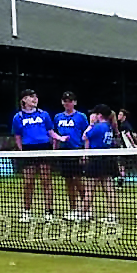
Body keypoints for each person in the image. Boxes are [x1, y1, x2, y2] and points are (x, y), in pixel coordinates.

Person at [12, 89, 67, 222]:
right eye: (31, 97)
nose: (35, 99)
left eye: (36, 97)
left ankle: (48, 212)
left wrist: (60, 138)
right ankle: (26, 212)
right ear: (24, 100)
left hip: (44, 148)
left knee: (46, 181)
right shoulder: (18, 117)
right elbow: (17, 136)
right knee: (28, 182)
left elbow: (50, 131)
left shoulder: (44, 114)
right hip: (28, 149)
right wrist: (21, 151)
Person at [53, 91, 89, 221]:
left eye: (70, 101)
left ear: (74, 102)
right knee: (68, 181)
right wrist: (55, 151)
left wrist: (85, 152)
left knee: (78, 180)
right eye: (65, 101)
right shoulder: (58, 117)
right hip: (64, 152)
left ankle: (86, 208)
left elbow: (86, 135)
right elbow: (55, 135)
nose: (67, 103)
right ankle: (73, 209)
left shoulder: (81, 117)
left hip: (77, 150)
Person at [83, 104, 120, 224]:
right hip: (107, 159)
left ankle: (84, 213)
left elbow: (85, 136)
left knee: (89, 188)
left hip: (97, 159)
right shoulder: (109, 126)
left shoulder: (98, 127)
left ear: (99, 115)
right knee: (109, 188)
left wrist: (91, 124)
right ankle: (112, 214)